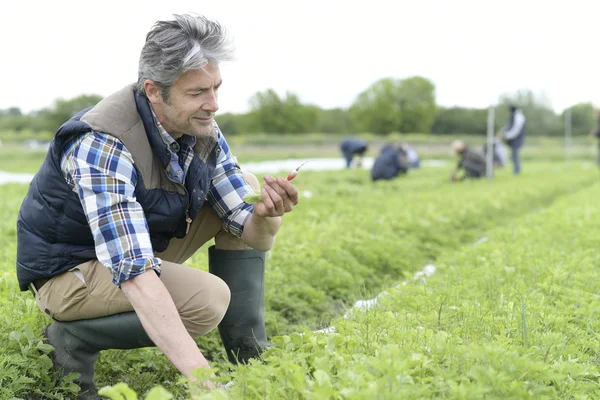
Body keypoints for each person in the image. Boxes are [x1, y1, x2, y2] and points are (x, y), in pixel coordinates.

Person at [15, 14, 298, 399]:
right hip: (70, 271)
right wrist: (206, 385)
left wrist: (268, 217)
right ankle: (71, 338)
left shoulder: (202, 128)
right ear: (153, 90)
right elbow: (133, 271)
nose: (213, 104)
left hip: (130, 249)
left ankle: (250, 357)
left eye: (216, 88)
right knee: (207, 300)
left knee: (243, 191)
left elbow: (252, 236)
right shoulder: (102, 142)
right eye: (198, 92)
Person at [499, 104, 526, 175]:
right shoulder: (515, 116)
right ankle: (516, 171)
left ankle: (517, 171)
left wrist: (505, 135)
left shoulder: (518, 117)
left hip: (516, 140)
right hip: (513, 140)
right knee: (514, 156)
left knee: (515, 156)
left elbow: (515, 130)